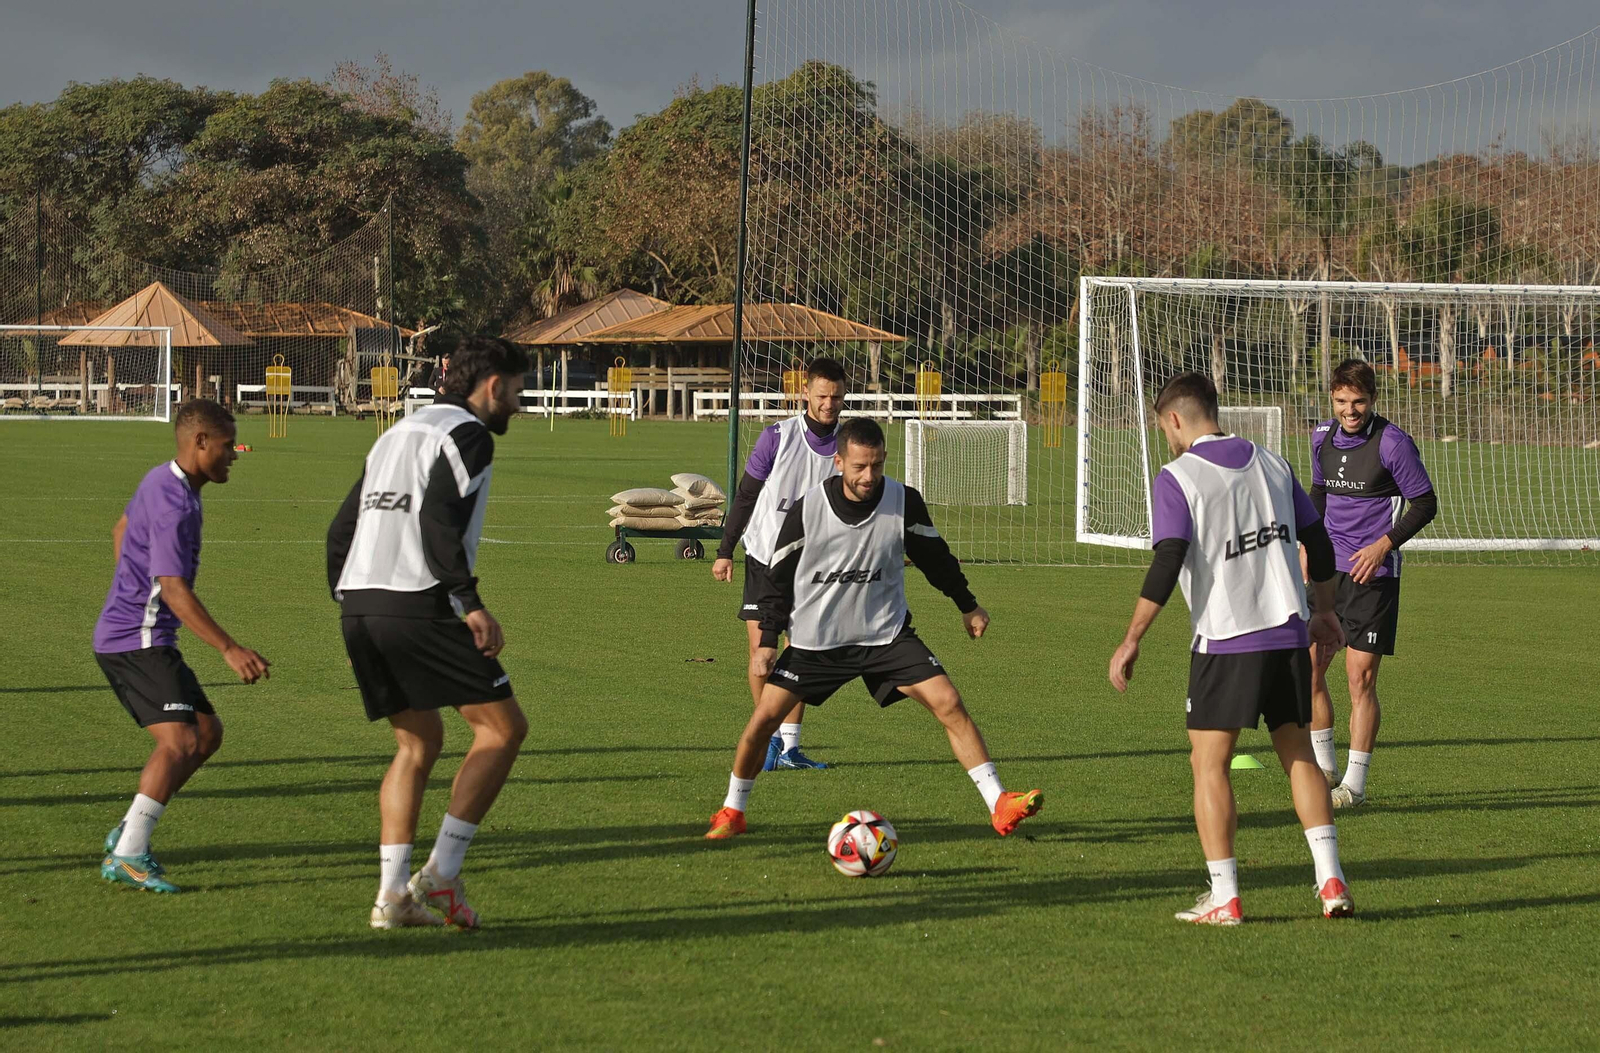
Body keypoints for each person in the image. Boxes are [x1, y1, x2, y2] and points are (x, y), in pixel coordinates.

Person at [705, 418, 1043, 841]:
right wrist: (768, 641)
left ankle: (999, 802)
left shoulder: (904, 501)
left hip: (886, 636)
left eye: (878, 466)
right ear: (839, 461)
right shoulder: (808, 509)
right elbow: (776, 578)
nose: (869, 477)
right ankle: (732, 811)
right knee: (761, 724)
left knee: (949, 702)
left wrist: (967, 605)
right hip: (817, 642)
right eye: (860, 467)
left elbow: (935, 558)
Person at [1108, 372, 1353, 925]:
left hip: (1225, 642)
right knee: (1299, 757)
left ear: (1173, 420)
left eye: (1162, 427)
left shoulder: (1177, 477)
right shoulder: (1275, 464)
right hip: (1288, 634)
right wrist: (1325, 611)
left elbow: (1167, 560)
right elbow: (1319, 542)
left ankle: (1225, 897)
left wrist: (1131, 639)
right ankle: (1331, 879)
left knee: (1209, 765)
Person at [327, 334, 531, 930]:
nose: (518, 405)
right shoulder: (466, 434)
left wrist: (354, 612)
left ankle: (393, 897)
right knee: (502, 729)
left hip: (361, 605)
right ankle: (442, 875)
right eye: (517, 392)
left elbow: (341, 530)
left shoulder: (396, 432)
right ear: (492, 385)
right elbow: (438, 518)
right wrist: (470, 602)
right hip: (419, 601)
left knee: (417, 744)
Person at [94, 399, 271, 894]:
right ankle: (128, 856)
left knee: (207, 734)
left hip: (141, 632)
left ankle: (130, 830)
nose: (234, 453)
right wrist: (229, 649)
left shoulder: (162, 480)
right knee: (181, 742)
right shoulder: (174, 504)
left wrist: (127, 590)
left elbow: (121, 529)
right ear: (199, 442)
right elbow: (172, 589)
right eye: (226, 443)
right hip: (136, 640)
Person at [1307, 359, 1437, 806]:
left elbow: (1424, 503)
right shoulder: (1321, 438)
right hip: (1328, 574)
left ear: (1372, 399)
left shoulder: (1393, 443)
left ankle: (1355, 786)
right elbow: (1319, 493)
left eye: (1358, 401)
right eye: (1342, 401)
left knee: (1359, 678)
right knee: (1308, 666)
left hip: (1372, 576)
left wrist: (1383, 546)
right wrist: (1308, 545)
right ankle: (1324, 770)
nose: (1350, 410)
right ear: (1332, 399)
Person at [711, 357, 846, 771]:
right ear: (805, 392)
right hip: (766, 557)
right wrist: (723, 550)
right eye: (822, 395)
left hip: (814, 563)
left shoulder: (849, 443)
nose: (828, 404)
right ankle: (768, 735)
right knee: (761, 652)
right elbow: (746, 496)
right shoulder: (777, 437)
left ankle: (789, 749)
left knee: (801, 653)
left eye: (837, 396)